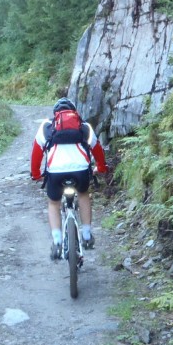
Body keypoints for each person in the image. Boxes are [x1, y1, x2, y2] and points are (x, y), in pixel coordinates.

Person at [30, 97, 108, 260]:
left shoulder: (46, 126)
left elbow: (36, 153)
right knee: (83, 195)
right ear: (74, 112)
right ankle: (86, 235)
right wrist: (101, 168)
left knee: (54, 203)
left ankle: (57, 241)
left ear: (55, 114)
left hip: (55, 173)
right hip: (80, 171)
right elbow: (97, 150)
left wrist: (36, 174)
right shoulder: (84, 126)